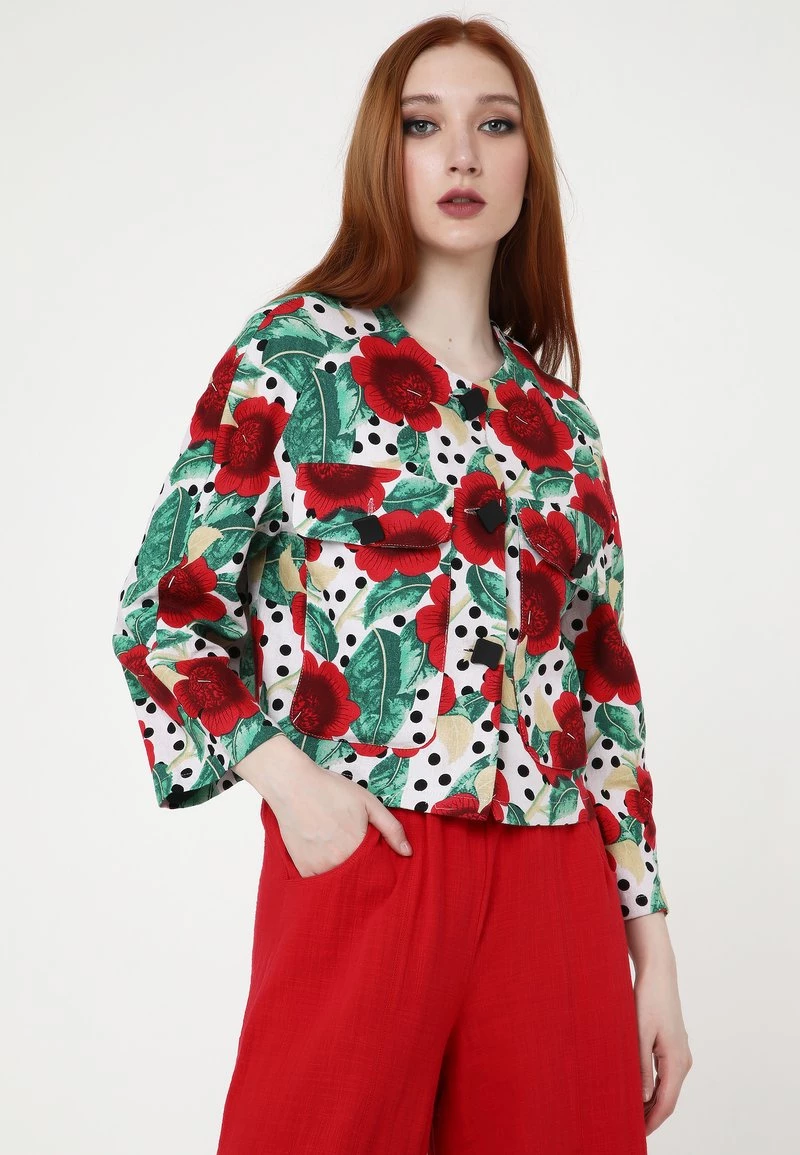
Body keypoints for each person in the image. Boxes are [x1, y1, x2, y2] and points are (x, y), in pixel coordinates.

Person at [111, 14, 691, 1155]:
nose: (461, 155)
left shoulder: (561, 426)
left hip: (555, 881)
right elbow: (163, 612)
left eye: (495, 126)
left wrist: (653, 952)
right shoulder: (294, 355)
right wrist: (294, 788)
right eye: (424, 126)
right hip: (374, 851)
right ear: (385, 154)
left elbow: (603, 689)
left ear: (530, 165)